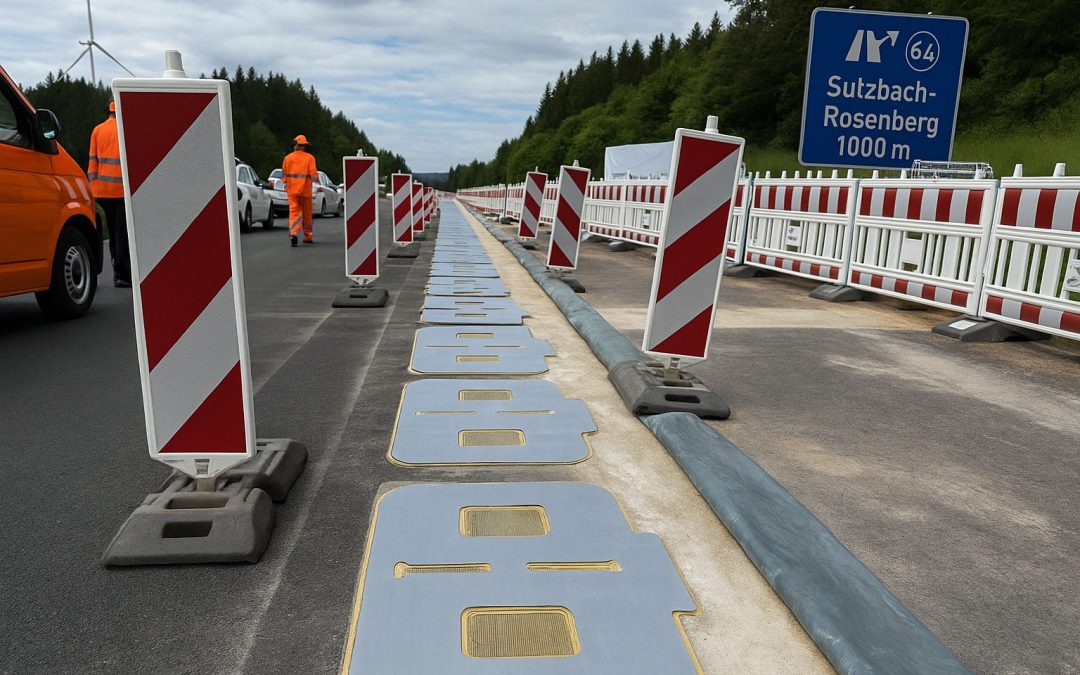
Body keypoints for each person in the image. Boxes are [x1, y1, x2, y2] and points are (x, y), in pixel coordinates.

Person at [88, 101, 130, 286]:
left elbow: (92, 161)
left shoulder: (98, 130)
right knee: (122, 233)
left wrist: (93, 188)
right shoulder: (125, 129)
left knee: (113, 232)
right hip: (121, 190)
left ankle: (116, 270)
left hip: (102, 191)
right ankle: (122, 274)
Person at [281, 134, 318, 246]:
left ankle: (293, 233)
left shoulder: (287, 158)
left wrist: (287, 182)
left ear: (295, 145)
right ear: (304, 146)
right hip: (306, 191)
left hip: (292, 191)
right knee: (307, 214)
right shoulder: (310, 158)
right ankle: (308, 236)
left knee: (294, 212)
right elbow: (314, 176)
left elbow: (284, 177)